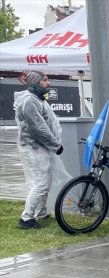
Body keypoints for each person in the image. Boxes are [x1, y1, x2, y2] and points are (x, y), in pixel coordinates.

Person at [14, 71, 64, 229]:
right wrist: (55, 145)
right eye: (44, 80)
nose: (48, 83)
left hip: (41, 147)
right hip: (35, 148)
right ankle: (26, 219)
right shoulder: (30, 101)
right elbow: (38, 127)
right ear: (35, 82)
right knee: (40, 184)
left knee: (44, 182)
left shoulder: (37, 99)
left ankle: (41, 213)